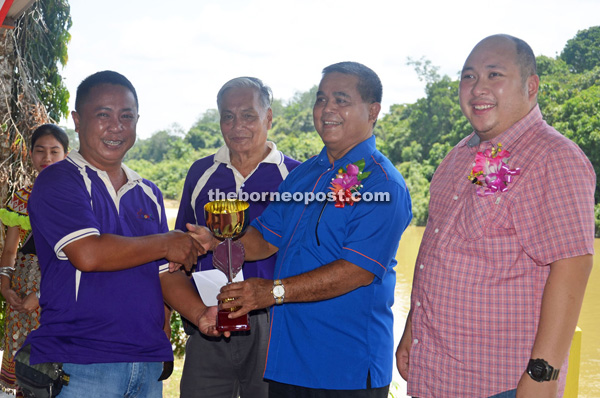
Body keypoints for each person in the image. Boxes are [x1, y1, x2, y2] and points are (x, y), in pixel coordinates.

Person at [191, 61, 412, 397]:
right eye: (321, 100)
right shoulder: (304, 175)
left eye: (341, 100)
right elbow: (265, 239)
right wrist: (219, 239)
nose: (327, 110)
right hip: (287, 363)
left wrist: (272, 291)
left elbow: (358, 271)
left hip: (345, 369)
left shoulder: (384, 183)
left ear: (373, 111)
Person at [396, 34, 595, 398]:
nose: (477, 88)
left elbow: (573, 265)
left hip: (500, 384)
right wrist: (412, 331)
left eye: (494, 75)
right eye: (469, 77)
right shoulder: (459, 156)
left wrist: (542, 375)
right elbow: (438, 253)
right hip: (439, 372)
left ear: (531, 86)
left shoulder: (553, 157)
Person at [21, 70, 224, 398]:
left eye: (126, 116)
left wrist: (201, 314)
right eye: (103, 115)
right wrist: (166, 242)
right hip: (80, 365)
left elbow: (163, 275)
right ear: (76, 119)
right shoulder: (59, 180)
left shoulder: (149, 193)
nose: (116, 126)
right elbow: (88, 253)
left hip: (146, 365)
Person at [176, 76, 300, 398]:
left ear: (268, 118)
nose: (237, 126)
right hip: (209, 316)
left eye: (248, 115)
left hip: (273, 321)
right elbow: (177, 252)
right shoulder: (200, 173)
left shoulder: (296, 177)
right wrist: (165, 321)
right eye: (228, 116)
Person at [0, 124, 69, 397]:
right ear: (30, 154)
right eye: (40, 151)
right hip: (19, 298)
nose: (47, 158)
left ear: (67, 154)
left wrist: (40, 294)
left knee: (56, 375)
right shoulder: (20, 199)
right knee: (23, 377)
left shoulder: (73, 199)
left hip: (57, 295)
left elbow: (78, 258)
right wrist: (5, 286)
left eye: (55, 151)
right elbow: (9, 251)